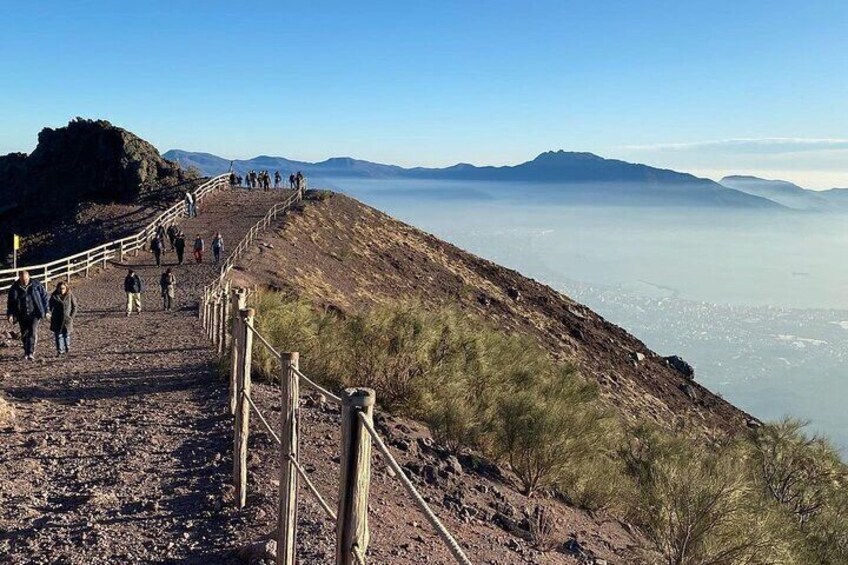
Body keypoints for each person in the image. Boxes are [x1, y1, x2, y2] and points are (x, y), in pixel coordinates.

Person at [6, 270, 49, 360]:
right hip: (21, 314)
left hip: (35, 313)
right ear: (19, 278)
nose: (25, 281)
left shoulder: (36, 285)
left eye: (26, 279)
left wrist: (46, 310)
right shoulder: (15, 288)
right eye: (22, 280)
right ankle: (26, 351)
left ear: (29, 277)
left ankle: (30, 352)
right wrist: (10, 314)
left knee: (32, 331)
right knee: (24, 333)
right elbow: (10, 303)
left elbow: (44, 297)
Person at [49, 281, 77, 356]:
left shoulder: (70, 295)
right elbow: (50, 306)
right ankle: (60, 351)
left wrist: (71, 317)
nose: (61, 290)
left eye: (63, 288)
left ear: (66, 288)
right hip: (57, 319)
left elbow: (74, 306)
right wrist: (50, 314)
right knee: (58, 336)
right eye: (60, 288)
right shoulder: (54, 296)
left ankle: (67, 347)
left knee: (66, 335)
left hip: (67, 319)